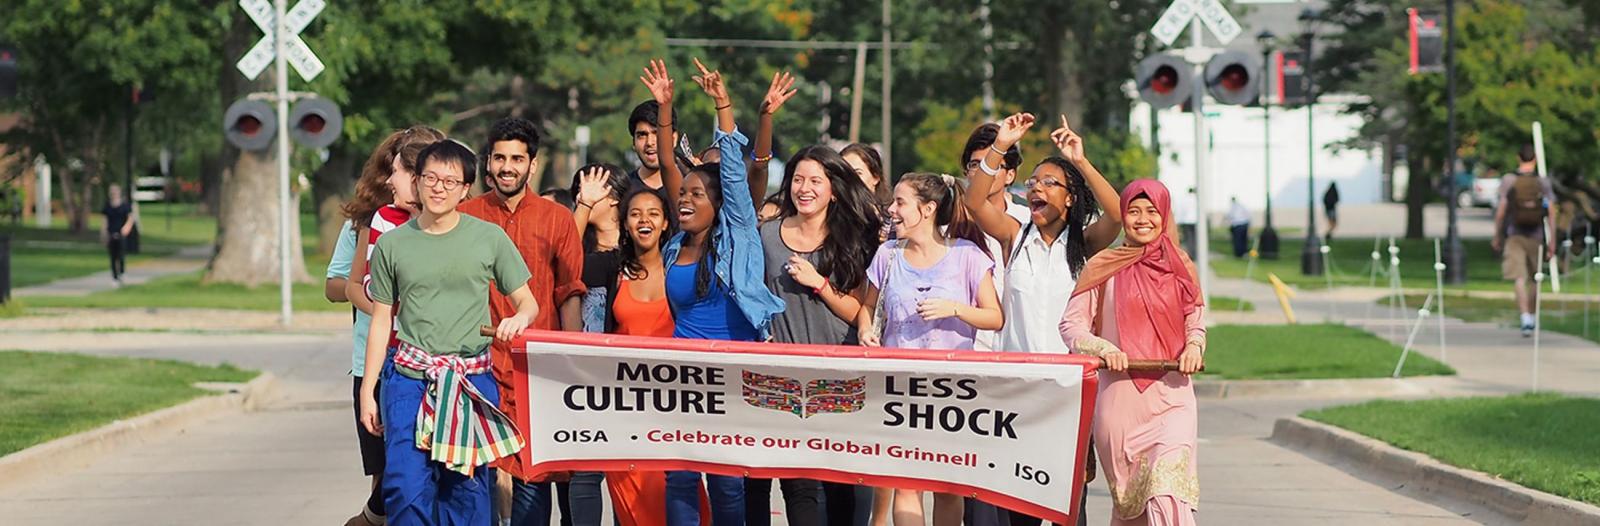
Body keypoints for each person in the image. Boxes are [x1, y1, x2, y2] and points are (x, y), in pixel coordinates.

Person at [359, 139, 537, 526]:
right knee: (405, 487)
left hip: (469, 381)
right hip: (408, 380)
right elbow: (381, 318)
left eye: (450, 181)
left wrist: (517, 319)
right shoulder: (392, 244)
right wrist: (368, 389)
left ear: (465, 188)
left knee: (466, 490)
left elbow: (528, 303)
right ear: (418, 182)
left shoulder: (488, 238)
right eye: (431, 178)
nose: (439, 188)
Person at [642, 57, 785, 526]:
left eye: (695, 195)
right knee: (679, 475)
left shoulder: (738, 233)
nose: (684, 200)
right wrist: (665, 109)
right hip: (684, 374)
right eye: (682, 195)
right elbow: (666, 161)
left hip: (734, 371)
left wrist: (723, 104)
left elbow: (734, 178)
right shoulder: (675, 245)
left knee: (727, 480)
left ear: (720, 204)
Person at [962, 113, 1121, 525]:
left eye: (1050, 182)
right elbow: (975, 201)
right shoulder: (1015, 236)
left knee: (1071, 506)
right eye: (1033, 182)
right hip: (1020, 390)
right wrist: (1000, 145)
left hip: (1072, 389)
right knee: (1020, 508)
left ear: (1069, 197)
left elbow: (1119, 216)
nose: (1037, 187)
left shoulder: (1084, 242)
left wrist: (1081, 161)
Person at [458, 117, 589, 526]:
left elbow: (569, 292)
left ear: (533, 165)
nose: (507, 167)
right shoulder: (465, 216)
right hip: (474, 365)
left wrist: (570, 361)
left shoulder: (557, 219)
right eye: (499, 158)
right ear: (488, 163)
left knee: (534, 476)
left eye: (517, 158)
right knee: (472, 475)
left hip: (537, 368)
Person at [858, 173, 1003, 526]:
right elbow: (867, 307)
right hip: (900, 389)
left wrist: (954, 308)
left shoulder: (967, 256)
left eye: (900, 202)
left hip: (952, 391)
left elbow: (994, 316)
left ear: (928, 209)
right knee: (906, 484)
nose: (891, 210)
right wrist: (865, 330)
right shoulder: (887, 254)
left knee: (948, 488)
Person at [1059, 179, 1205, 526]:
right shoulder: (1102, 265)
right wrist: (1103, 348)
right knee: (1133, 510)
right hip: (1120, 402)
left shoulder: (1181, 265)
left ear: (1164, 215)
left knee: (1167, 492)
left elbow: (1195, 319)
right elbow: (1071, 326)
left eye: (1152, 211)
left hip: (1173, 395)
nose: (1143, 219)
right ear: (1123, 216)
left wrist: (1195, 346)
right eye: (1134, 211)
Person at [753, 143, 879, 526]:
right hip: (783, 378)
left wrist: (819, 284)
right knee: (799, 485)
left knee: (839, 482)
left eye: (815, 181)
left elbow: (861, 311)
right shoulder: (767, 235)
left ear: (834, 189)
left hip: (839, 376)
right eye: (797, 179)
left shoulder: (854, 236)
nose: (803, 188)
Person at [336, 125, 447, 526]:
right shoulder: (381, 221)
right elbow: (351, 285)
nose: (388, 179)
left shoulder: (463, 226)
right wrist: (391, 312)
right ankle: (371, 518)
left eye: (397, 170)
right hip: (389, 361)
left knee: (445, 474)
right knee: (396, 472)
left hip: (448, 366)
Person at [958, 124, 1031, 353]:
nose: (982, 172)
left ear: (1010, 175)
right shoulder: (947, 227)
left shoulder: (1028, 222)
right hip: (964, 346)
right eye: (975, 165)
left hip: (1016, 347)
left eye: (992, 164)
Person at [1492, 144, 1557, 337]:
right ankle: (1533, 315)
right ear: (1535, 159)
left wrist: (1497, 235)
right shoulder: (1542, 182)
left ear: (1518, 158)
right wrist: (1552, 240)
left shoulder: (1509, 180)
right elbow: (1551, 213)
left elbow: (1501, 212)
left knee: (1518, 278)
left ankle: (1525, 317)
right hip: (1536, 235)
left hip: (1514, 234)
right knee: (1535, 277)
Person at [841, 143, 893, 243]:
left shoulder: (892, 219)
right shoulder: (831, 217)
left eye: (858, 173)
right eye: (845, 173)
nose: (851, 179)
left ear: (876, 177)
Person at [101, 184, 137, 286]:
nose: (113, 193)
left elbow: (130, 218)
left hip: (121, 232)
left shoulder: (125, 206)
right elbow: (104, 220)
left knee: (121, 255)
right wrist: (104, 233)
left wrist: (126, 228)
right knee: (112, 256)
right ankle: (114, 277)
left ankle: (122, 273)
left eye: (115, 191)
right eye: (112, 191)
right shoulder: (107, 206)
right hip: (111, 232)